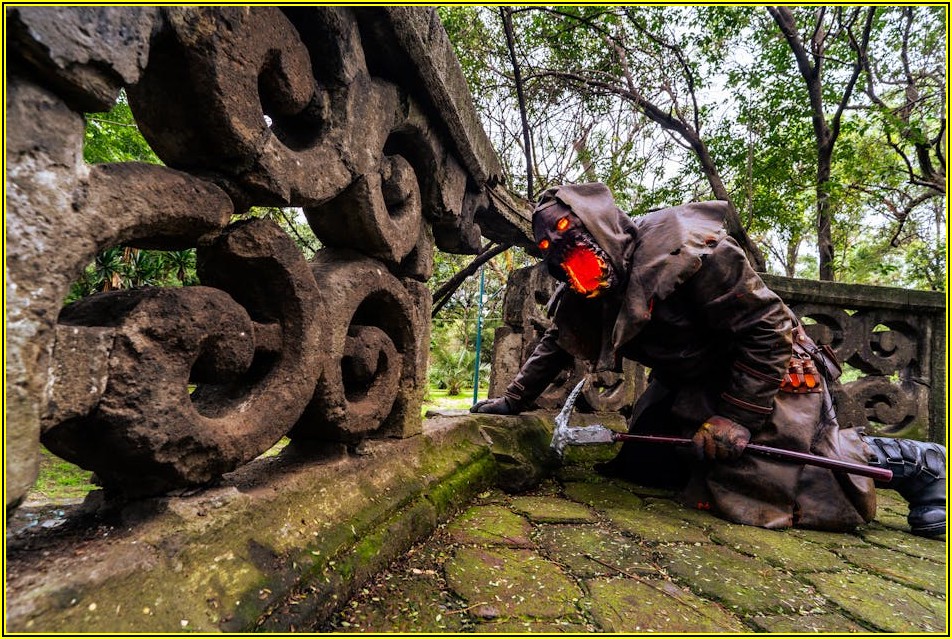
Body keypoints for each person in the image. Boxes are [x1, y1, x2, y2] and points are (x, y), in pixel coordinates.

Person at [472, 182, 945, 539]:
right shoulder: (587, 290)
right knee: (650, 464)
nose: (563, 255)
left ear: (598, 222)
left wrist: (738, 416)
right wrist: (513, 402)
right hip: (690, 384)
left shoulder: (692, 249)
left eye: (567, 236)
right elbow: (556, 343)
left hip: (768, 374)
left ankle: (920, 464)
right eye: (549, 250)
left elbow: (767, 329)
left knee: (781, 478)